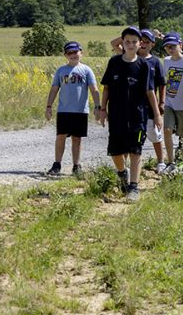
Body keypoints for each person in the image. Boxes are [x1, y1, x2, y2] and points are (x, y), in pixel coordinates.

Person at [99, 26, 162, 201]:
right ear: (123, 42)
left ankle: (134, 187)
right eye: (127, 41)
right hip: (116, 114)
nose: (131, 44)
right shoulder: (114, 62)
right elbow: (106, 88)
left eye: (134, 41)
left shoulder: (144, 66)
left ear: (140, 43)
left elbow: (150, 92)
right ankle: (122, 173)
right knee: (115, 152)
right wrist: (102, 110)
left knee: (136, 151)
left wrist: (157, 114)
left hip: (138, 115)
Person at [45, 41, 100, 177]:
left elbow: (94, 89)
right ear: (65, 55)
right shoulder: (61, 70)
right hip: (64, 110)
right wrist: (49, 106)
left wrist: (98, 106)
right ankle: (57, 164)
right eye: (69, 53)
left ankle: (76, 165)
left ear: (81, 53)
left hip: (80, 111)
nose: (73, 55)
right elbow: (54, 89)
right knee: (61, 137)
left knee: (77, 138)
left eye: (75, 52)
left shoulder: (87, 70)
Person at [161, 33, 183, 171]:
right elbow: (165, 81)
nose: (170, 49)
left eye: (173, 46)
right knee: (167, 130)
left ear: (180, 46)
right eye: (167, 47)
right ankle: (171, 162)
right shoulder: (166, 61)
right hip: (170, 102)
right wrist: (162, 101)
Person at [138, 29, 168, 173]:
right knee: (134, 135)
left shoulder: (155, 61)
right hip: (134, 103)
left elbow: (162, 84)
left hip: (151, 104)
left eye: (147, 41)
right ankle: (131, 162)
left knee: (155, 134)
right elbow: (115, 44)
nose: (143, 44)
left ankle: (161, 161)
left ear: (152, 44)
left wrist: (162, 103)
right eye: (141, 40)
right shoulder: (130, 57)